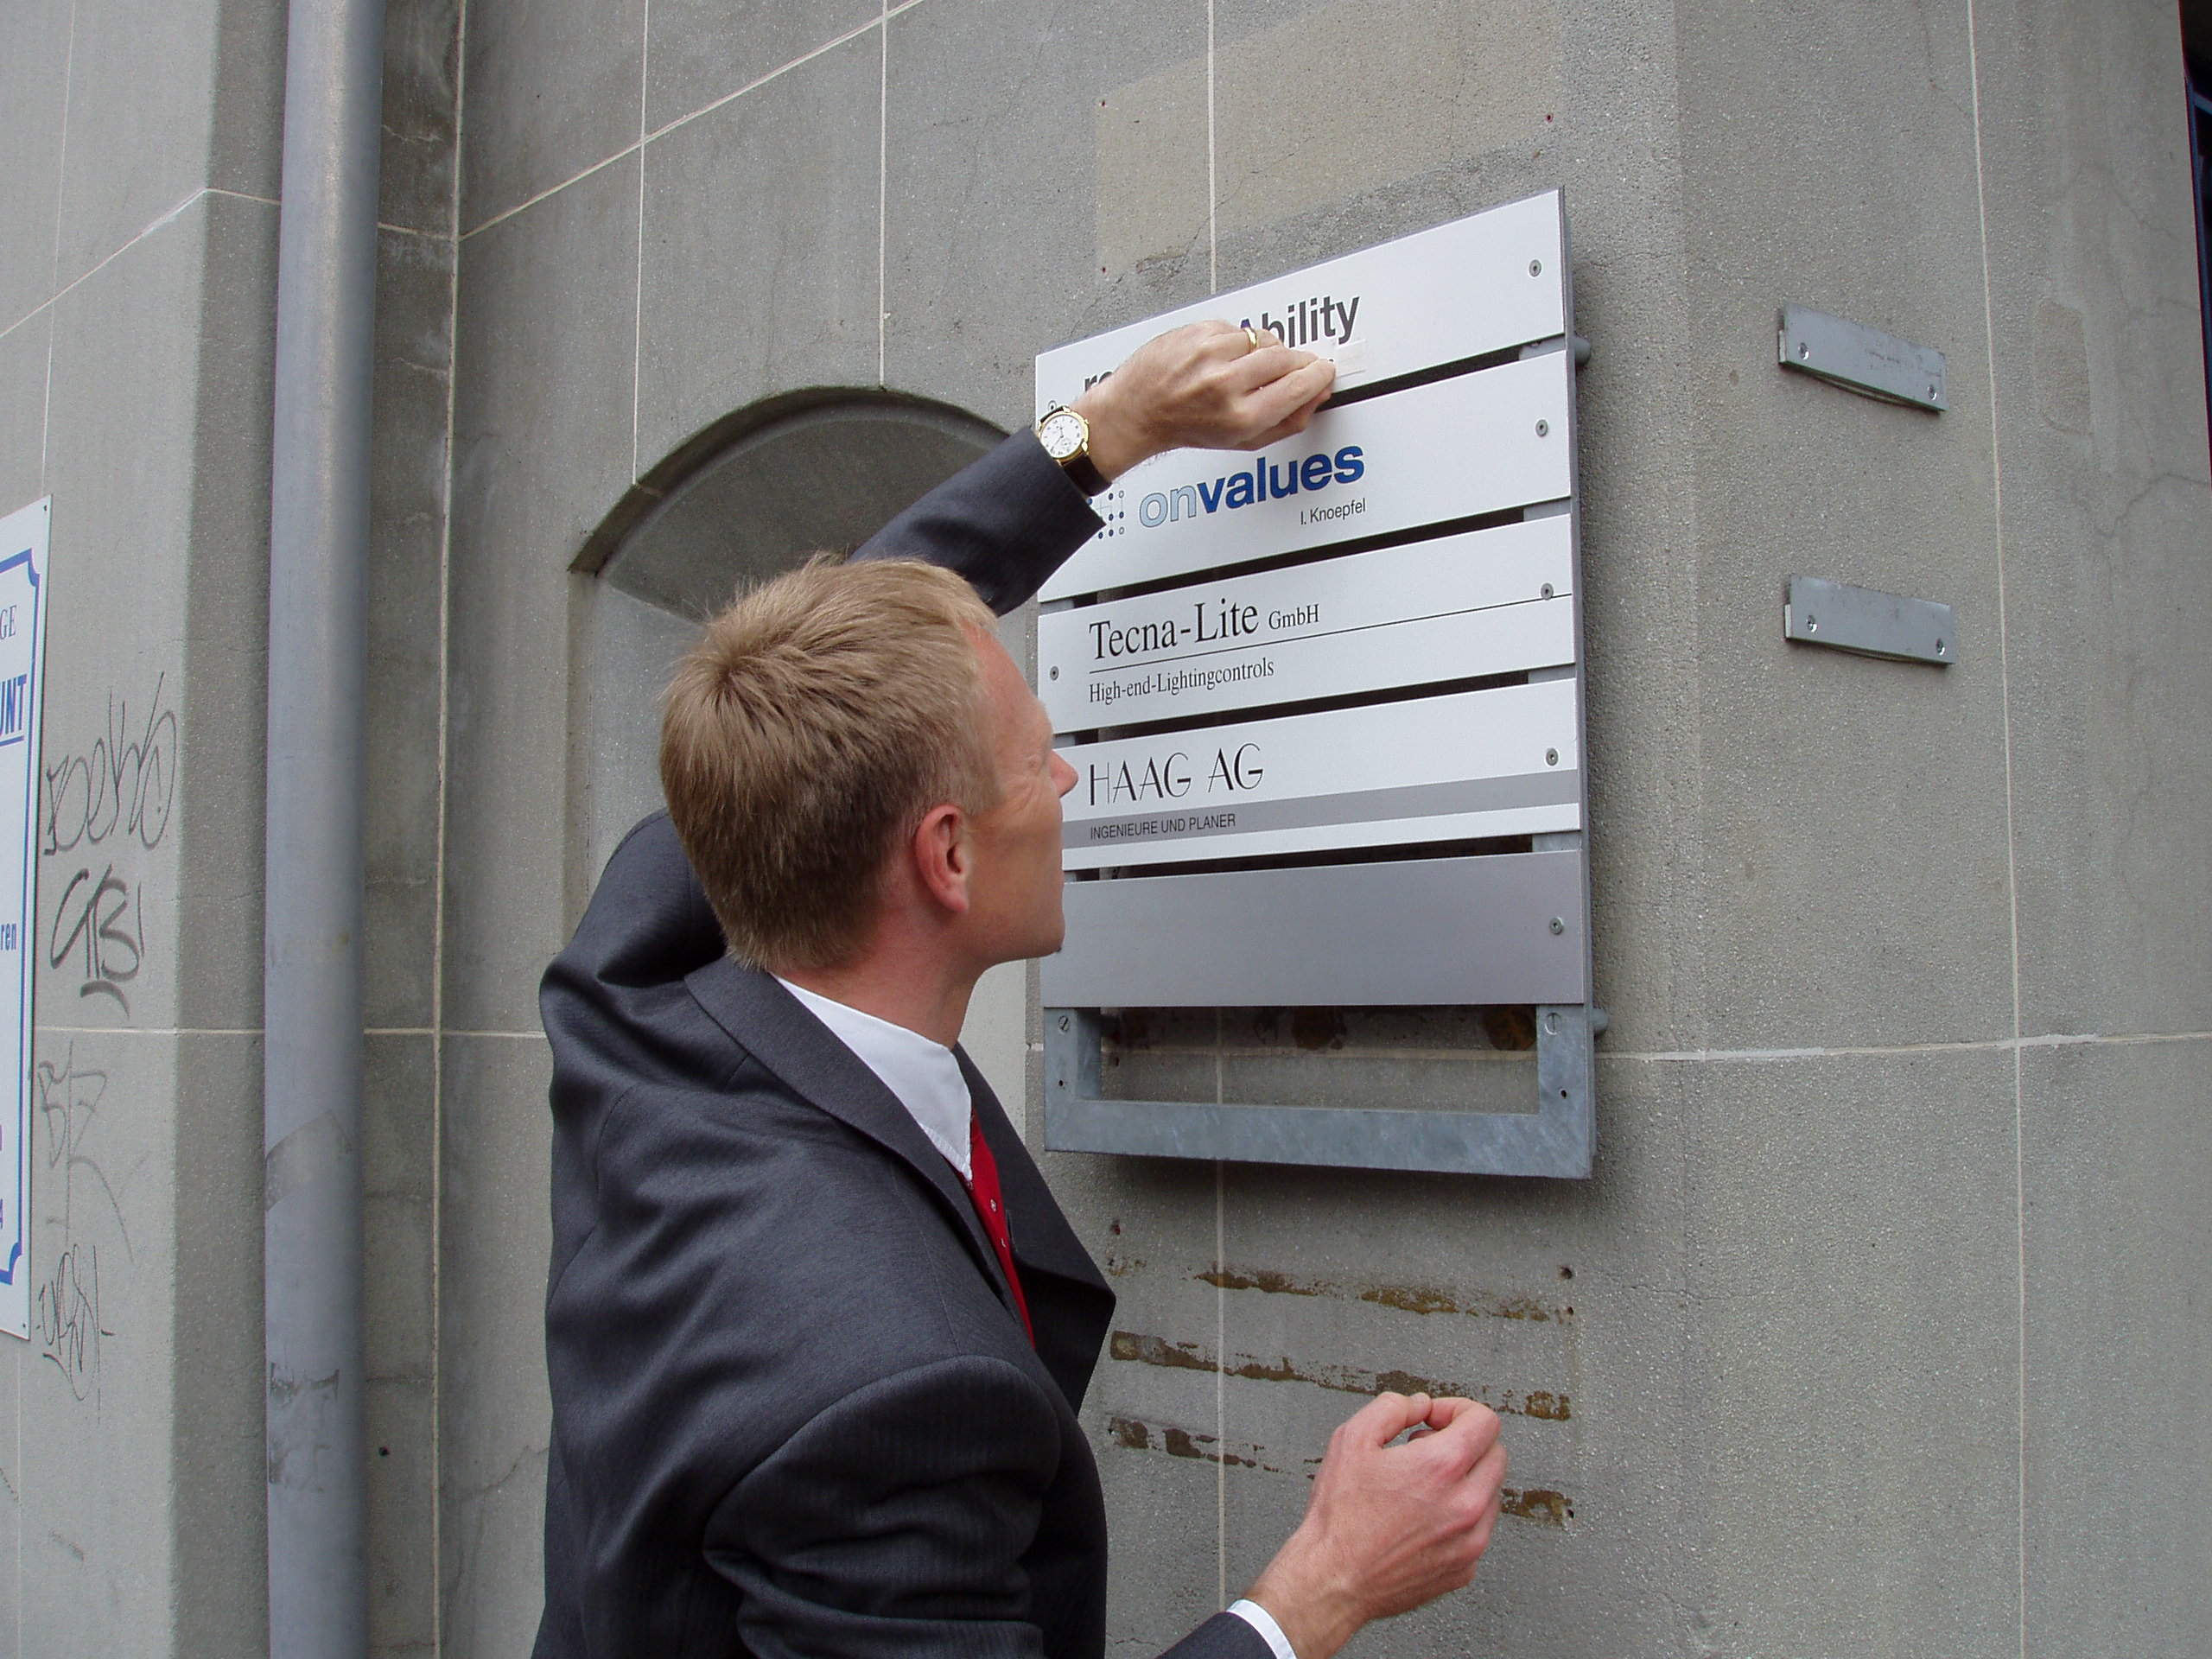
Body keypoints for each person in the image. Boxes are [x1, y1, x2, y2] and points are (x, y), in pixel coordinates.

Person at [533, 322, 1510, 1659]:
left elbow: (819, 690)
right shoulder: (887, 1391)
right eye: (1040, 758)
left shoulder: (624, 1013)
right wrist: (1318, 1593)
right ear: (944, 852)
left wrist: (1100, 436)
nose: (1066, 783)